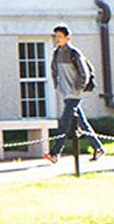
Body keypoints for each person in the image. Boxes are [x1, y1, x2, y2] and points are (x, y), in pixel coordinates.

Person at [44, 25, 105, 163]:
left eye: (60, 37)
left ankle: (55, 153)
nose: (57, 39)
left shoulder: (74, 53)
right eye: (56, 37)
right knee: (81, 122)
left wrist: (78, 88)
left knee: (65, 122)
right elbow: (54, 71)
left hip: (75, 93)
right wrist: (57, 85)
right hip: (66, 93)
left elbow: (85, 73)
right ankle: (98, 147)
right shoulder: (56, 53)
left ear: (67, 37)